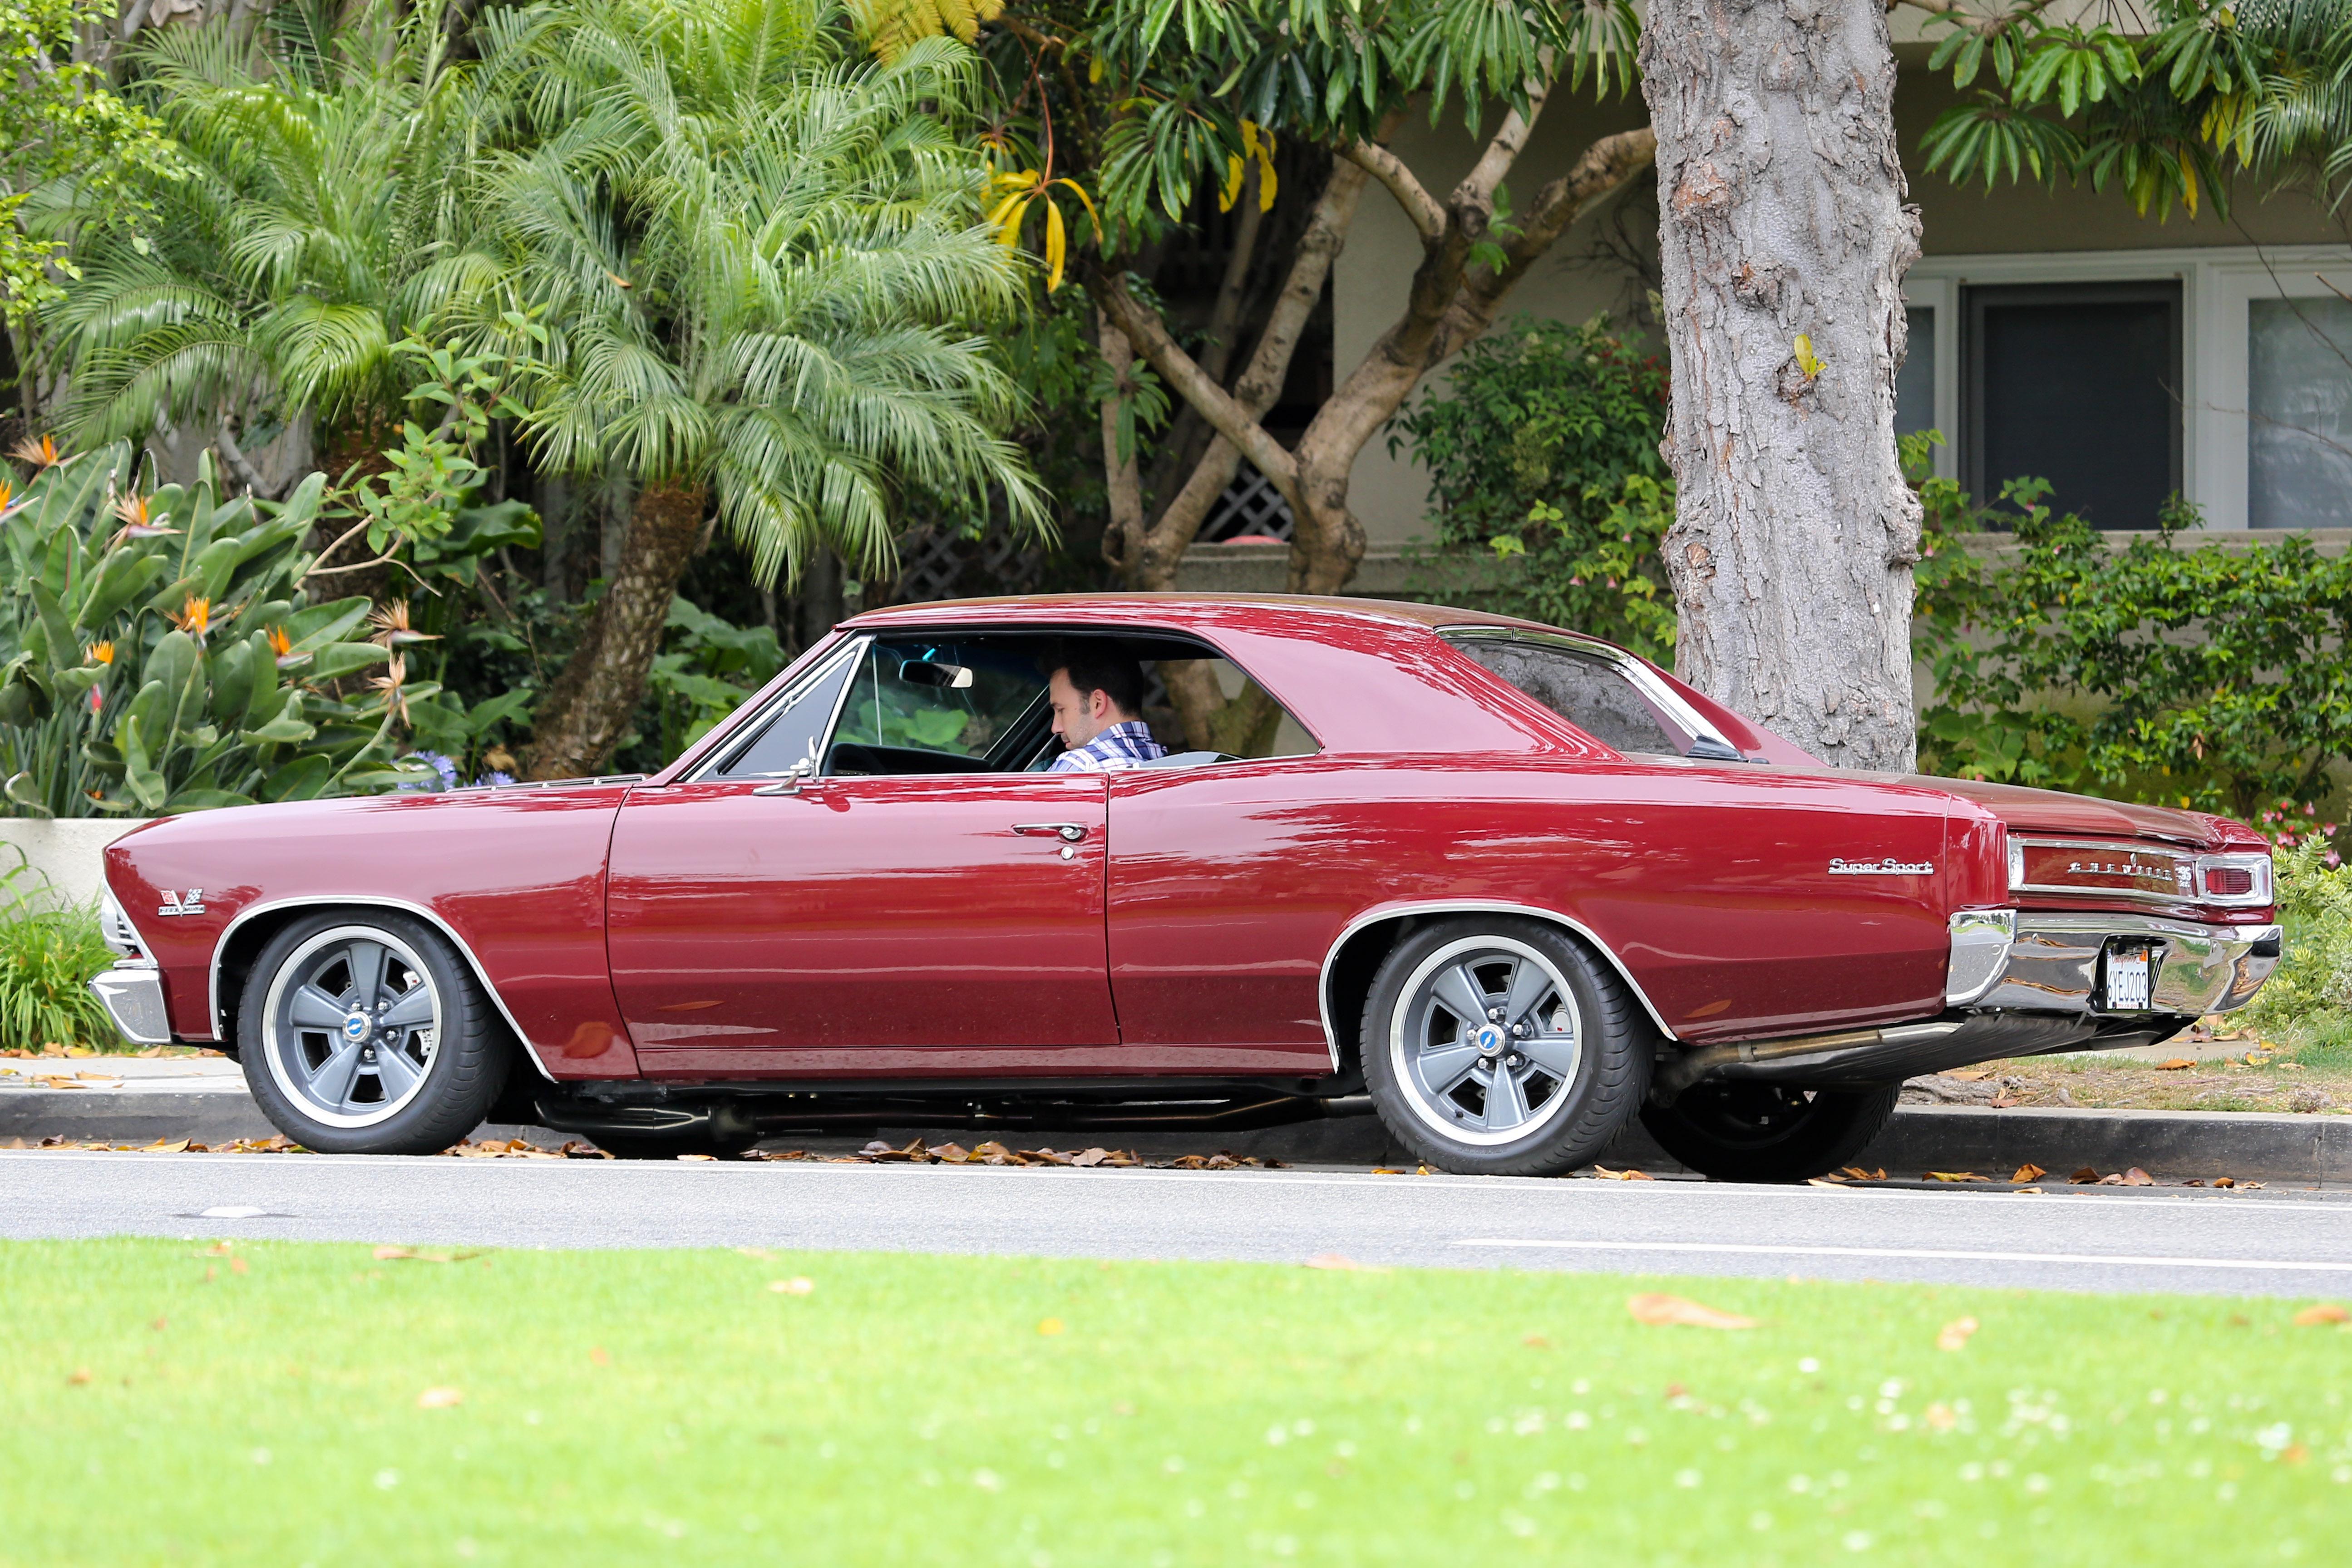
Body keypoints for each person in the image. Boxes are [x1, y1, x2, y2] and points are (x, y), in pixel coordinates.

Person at [1045, 647, 1169, 772]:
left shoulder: (1080, 767)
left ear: (1098, 703)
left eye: (1061, 710)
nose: (1056, 728)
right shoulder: (1165, 762)